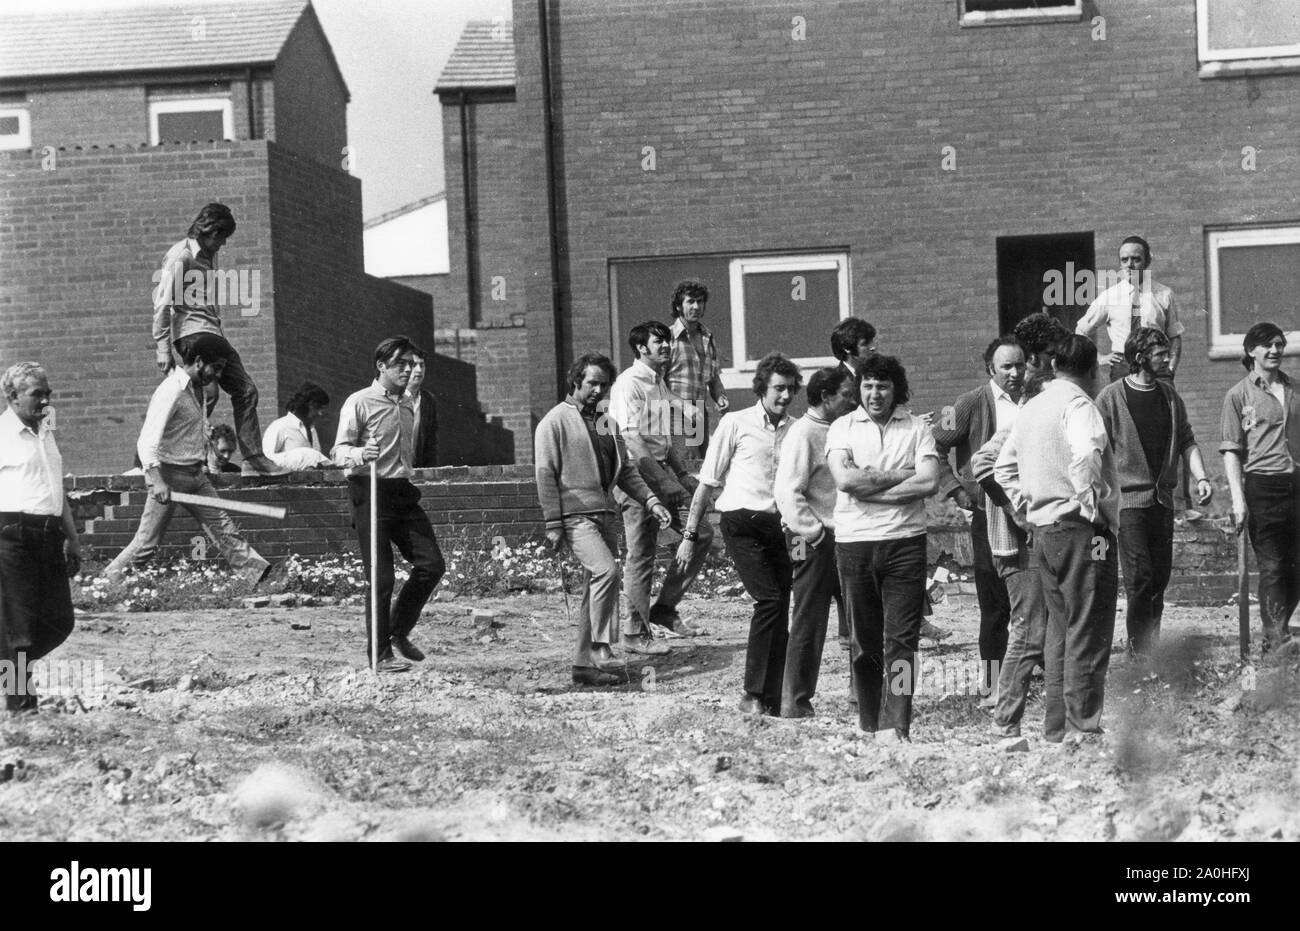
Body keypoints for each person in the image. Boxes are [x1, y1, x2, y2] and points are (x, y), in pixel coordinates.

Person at [995, 334, 1119, 743]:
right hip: (1083, 530)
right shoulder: (1080, 404)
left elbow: (1002, 470)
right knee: (1090, 626)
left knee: (1059, 630)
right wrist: (1089, 507)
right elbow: (1086, 455)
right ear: (1090, 369)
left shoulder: (1031, 408)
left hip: (1044, 531)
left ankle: (1057, 727)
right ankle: (1082, 726)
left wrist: (1026, 510)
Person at [535, 354, 672, 687]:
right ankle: (601, 647)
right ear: (576, 381)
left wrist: (651, 501)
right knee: (605, 571)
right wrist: (553, 524)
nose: (598, 390)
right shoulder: (553, 422)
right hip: (574, 516)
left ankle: (583, 666)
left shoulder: (605, 422)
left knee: (592, 591)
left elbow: (625, 470)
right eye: (592, 382)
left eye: (604, 384)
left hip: (604, 514)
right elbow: (544, 474)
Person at [676, 353, 802, 715]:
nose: (784, 396)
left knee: (781, 606)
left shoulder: (797, 429)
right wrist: (688, 535)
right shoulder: (735, 423)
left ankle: (773, 696)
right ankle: (751, 694)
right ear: (762, 388)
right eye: (778, 388)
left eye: (790, 390)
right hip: (741, 522)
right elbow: (707, 482)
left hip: (779, 526)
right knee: (768, 600)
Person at [827, 355, 940, 742]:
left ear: (897, 389)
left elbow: (928, 483)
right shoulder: (842, 427)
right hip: (855, 544)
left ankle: (898, 725)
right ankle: (870, 721)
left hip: (905, 543)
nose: (875, 394)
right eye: (868, 385)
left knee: (902, 641)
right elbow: (845, 480)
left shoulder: (917, 428)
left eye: (884, 386)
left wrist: (872, 486)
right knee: (863, 642)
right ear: (859, 388)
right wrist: (902, 477)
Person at [104, 334, 270, 583]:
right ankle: (106, 583)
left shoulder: (198, 390)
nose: (217, 375)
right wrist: (158, 481)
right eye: (216, 368)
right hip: (169, 476)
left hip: (196, 476)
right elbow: (146, 441)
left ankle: (257, 577)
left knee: (225, 530)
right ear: (200, 361)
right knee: (147, 543)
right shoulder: (171, 390)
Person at [971, 312, 1067, 738]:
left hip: (1049, 534)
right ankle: (1004, 718)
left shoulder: (1046, 409)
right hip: (1016, 542)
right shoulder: (1025, 414)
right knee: (1029, 630)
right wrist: (1015, 511)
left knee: (1049, 628)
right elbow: (981, 463)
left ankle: (1056, 719)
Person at [1095, 328, 1213, 657]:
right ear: (1140, 358)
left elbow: (1187, 440)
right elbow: (1094, 449)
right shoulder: (1110, 397)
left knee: (1159, 578)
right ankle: (1138, 653)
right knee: (1140, 577)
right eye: (1160, 353)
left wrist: (1201, 476)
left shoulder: (1170, 397)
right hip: (1128, 503)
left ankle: (1152, 648)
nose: (1167, 357)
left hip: (1162, 502)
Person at [332, 337, 446, 673]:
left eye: (411, 364)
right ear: (381, 366)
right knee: (381, 577)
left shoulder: (409, 401)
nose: (408, 370)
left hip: (401, 491)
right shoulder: (359, 402)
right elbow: (338, 451)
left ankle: (397, 632)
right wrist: (358, 454)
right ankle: (379, 655)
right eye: (401, 364)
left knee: (431, 564)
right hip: (369, 491)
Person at [608, 321, 712, 651]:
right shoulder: (628, 384)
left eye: (667, 341)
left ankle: (664, 609)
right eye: (659, 342)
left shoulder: (658, 381)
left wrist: (681, 475)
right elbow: (633, 442)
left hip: (663, 470)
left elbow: (665, 438)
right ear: (641, 348)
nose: (666, 346)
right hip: (637, 476)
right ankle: (634, 634)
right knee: (641, 555)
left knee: (703, 533)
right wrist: (663, 482)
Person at [151, 203, 276, 472]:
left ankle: (252, 459)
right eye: (221, 238)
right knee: (204, 395)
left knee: (241, 391)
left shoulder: (208, 256)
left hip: (210, 331)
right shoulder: (181, 256)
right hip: (192, 333)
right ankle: (187, 458)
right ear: (208, 230)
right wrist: (162, 348)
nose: (222, 245)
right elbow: (162, 303)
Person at [932, 337, 1025, 697]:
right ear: (991, 369)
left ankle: (1032, 675)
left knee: (1035, 597)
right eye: (1007, 367)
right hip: (989, 513)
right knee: (994, 603)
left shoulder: (1033, 399)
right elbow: (934, 442)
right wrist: (957, 490)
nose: (1015, 373)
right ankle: (991, 683)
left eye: (1020, 365)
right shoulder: (970, 403)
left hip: (1030, 511)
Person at [774, 365, 856, 717]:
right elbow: (787, 492)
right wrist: (816, 533)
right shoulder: (803, 433)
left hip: (848, 538)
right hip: (812, 540)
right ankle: (794, 700)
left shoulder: (843, 429)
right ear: (825, 396)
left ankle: (861, 696)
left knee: (859, 619)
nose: (854, 401)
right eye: (847, 395)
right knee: (809, 620)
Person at [0, 363, 80, 712]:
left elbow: (56, 491)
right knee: (19, 633)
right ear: (12, 396)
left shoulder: (46, 433)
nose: (46, 400)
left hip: (48, 536)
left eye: (48, 392)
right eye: (37, 394)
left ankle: (8, 666)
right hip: (11, 537)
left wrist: (73, 538)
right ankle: (21, 707)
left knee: (60, 622)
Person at [1220, 322, 1300, 653]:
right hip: (1262, 488)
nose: (1275, 351)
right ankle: (1275, 638)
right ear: (1251, 351)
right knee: (1273, 565)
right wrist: (1238, 500)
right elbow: (1230, 451)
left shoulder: (1295, 388)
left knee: (1296, 565)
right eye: (1267, 345)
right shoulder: (1238, 395)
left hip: (1296, 485)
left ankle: (1280, 630)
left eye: (1280, 344)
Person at [1075, 236, 1184, 382]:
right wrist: (1099, 358)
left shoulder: (1164, 294)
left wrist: (1170, 368)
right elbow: (1081, 330)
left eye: (1136, 259)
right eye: (1124, 260)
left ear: (1147, 262)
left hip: (1156, 364)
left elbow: (1174, 336)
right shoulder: (1109, 297)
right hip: (1123, 366)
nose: (1129, 265)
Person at [665, 280, 729, 463]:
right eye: (690, 301)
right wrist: (684, 407)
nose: (696, 306)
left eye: (700, 302)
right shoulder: (667, 338)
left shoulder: (708, 337)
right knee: (688, 464)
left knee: (701, 466)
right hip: (674, 413)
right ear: (678, 306)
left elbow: (714, 378)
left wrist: (721, 398)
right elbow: (657, 385)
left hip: (700, 411)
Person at [262, 383, 334, 471]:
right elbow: (266, 460)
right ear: (309, 404)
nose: (320, 413)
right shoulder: (279, 426)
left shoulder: (312, 430)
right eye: (318, 408)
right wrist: (302, 456)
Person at [407, 349, 438, 469]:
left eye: (422, 365)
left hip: (418, 469)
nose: (419, 370)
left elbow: (431, 443)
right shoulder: (393, 397)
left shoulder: (428, 400)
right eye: (414, 365)